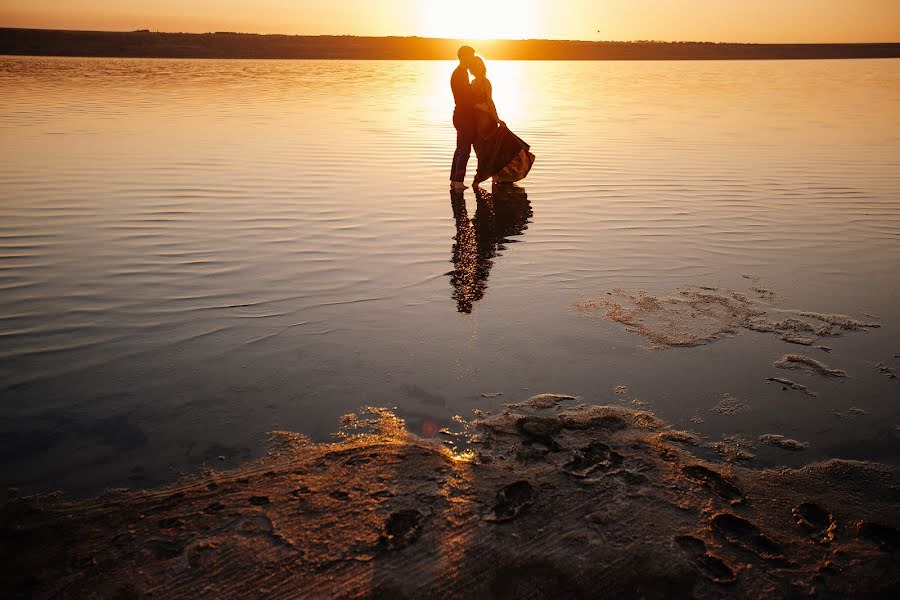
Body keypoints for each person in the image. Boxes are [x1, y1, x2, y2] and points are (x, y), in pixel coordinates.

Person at [469, 56, 535, 188]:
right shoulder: (476, 83)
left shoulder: (482, 82)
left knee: (489, 150)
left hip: (485, 121)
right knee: (486, 150)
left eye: (475, 66)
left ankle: (486, 179)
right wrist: (489, 113)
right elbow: (484, 103)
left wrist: (496, 118)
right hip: (479, 122)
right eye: (474, 66)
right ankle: (487, 178)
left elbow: (489, 102)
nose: (474, 69)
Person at [450, 46, 477, 191]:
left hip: (459, 115)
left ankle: (454, 181)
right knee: (464, 151)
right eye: (471, 55)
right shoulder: (460, 73)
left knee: (459, 149)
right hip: (464, 115)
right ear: (463, 56)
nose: (473, 58)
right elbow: (465, 97)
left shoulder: (460, 72)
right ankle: (458, 182)